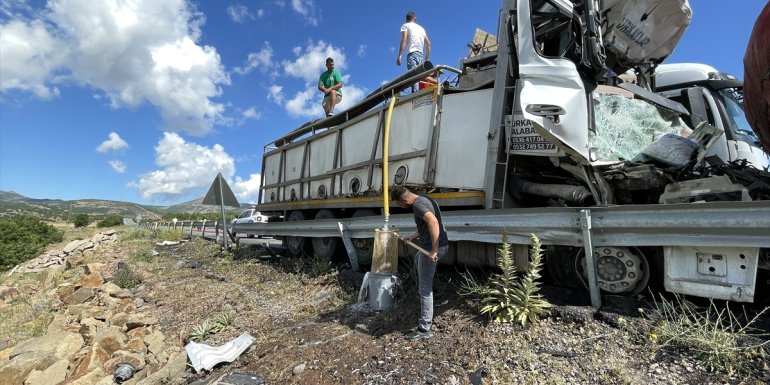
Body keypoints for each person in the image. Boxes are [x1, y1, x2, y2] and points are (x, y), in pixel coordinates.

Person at [391, 185, 449, 340]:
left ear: (404, 200)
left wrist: (434, 250)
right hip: (440, 245)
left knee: (425, 287)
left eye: (399, 204)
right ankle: (427, 301)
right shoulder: (426, 199)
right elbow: (426, 225)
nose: (400, 207)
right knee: (418, 260)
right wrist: (413, 236)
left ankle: (424, 329)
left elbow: (433, 222)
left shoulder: (418, 205)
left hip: (431, 249)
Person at [396, 11, 431, 92]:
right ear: (415, 19)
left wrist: (400, 55)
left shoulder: (405, 25)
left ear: (406, 19)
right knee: (420, 76)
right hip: (421, 55)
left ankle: (415, 94)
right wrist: (426, 59)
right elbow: (429, 44)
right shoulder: (422, 29)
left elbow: (404, 39)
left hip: (412, 54)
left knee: (413, 77)